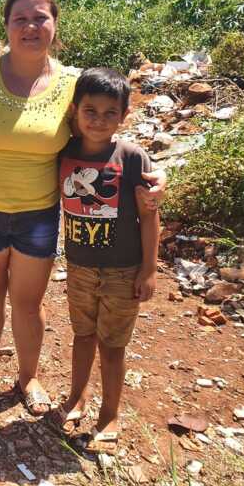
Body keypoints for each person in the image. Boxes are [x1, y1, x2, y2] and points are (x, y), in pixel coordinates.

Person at [0, 0, 165, 416]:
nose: (30, 27)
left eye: (40, 17)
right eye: (20, 18)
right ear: (6, 26)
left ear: (55, 24)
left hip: (38, 215)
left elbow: (100, 137)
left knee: (27, 303)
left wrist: (153, 172)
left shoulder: (72, 86)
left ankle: (28, 377)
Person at [50, 68, 160, 454]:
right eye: (90, 111)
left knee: (113, 346)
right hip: (79, 267)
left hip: (122, 271)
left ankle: (110, 414)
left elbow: (150, 215)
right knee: (82, 336)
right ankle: (76, 397)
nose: (98, 120)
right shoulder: (64, 152)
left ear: (124, 116)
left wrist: (149, 270)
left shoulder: (131, 157)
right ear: (75, 111)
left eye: (110, 113)